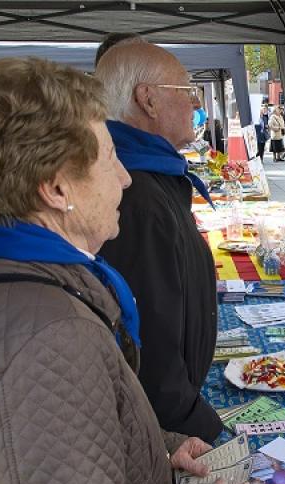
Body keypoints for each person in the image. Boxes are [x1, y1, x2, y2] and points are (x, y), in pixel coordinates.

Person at [0, 56, 248, 484]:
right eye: (108, 158)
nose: (125, 178)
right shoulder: (51, 337)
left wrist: (160, 447)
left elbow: (54, 449)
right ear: (56, 189)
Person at [96, 42, 224, 443]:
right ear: (148, 99)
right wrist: (193, 426)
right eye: (186, 91)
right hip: (167, 426)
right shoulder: (135, 194)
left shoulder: (152, 174)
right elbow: (149, 345)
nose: (195, 102)